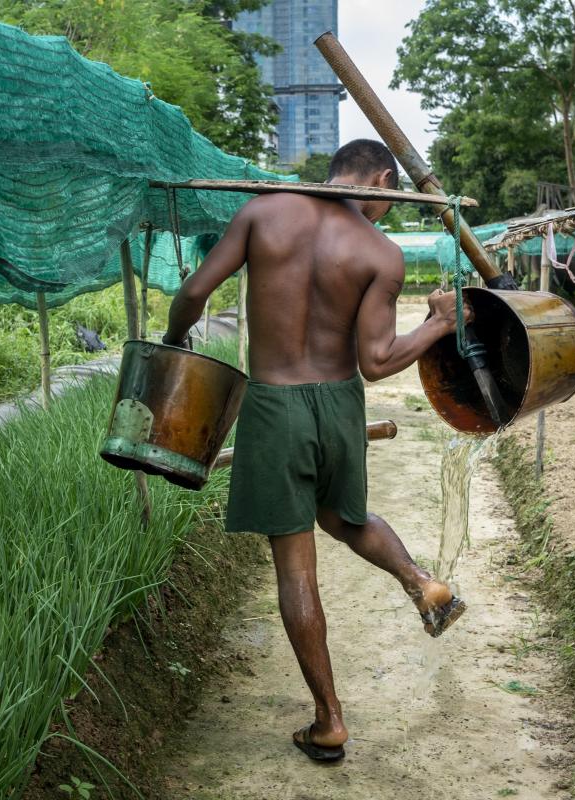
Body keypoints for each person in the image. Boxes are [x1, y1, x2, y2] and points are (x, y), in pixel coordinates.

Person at [163, 139, 469, 763]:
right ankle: (421, 582)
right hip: (338, 402)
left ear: (337, 172)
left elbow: (195, 291)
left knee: (296, 568)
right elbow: (377, 362)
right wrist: (439, 322)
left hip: (275, 403)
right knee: (342, 516)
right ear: (384, 180)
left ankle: (329, 721)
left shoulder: (262, 213)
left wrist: (173, 342)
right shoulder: (378, 252)